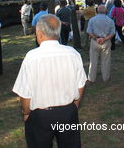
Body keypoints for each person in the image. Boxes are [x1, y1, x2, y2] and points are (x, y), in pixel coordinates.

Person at [13, 14, 87, 148]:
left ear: (39, 34)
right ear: (58, 33)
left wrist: (26, 112)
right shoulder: (73, 53)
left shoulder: (31, 57)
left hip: (40, 116)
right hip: (67, 112)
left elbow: (24, 93)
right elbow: (81, 84)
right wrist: (75, 105)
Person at [86, 5, 115, 82]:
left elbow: (89, 31)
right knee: (106, 60)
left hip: (95, 41)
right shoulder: (110, 20)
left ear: (97, 11)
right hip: (106, 41)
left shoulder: (92, 20)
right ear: (105, 11)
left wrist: (96, 38)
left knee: (93, 60)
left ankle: (91, 78)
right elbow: (112, 33)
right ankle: (106, 77)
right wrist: (105, 39)